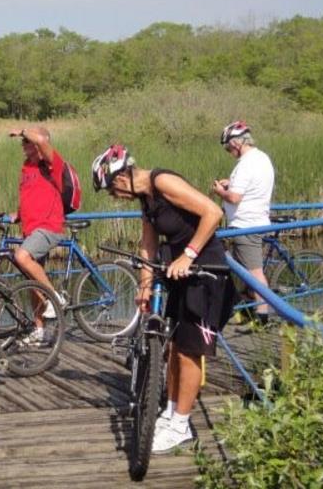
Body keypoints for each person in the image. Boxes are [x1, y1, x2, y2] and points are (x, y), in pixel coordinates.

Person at [92, 144, 236, 454]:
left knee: (189, 350)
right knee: (173, 347)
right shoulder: (146, 200)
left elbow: (213, 212)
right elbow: (148, 244)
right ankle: (170, 413)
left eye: (111, 191)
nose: (114, 197)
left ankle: (181, 425)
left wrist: (188, 255)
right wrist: (144, 286)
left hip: (205, 271)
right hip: (178, 274)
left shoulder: (162, 182)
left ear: (120, 178)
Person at [212, 121, 275, 325]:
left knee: (254, 273)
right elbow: (249, 186)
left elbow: (235, 198)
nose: (228, 151)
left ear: (237, 143)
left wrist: (221, 192)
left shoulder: (247, 164)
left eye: (228, 146)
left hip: (246, 224)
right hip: (254, 220)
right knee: (245, 270)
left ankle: (262, 317)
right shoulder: (261, 158)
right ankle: (248, 310)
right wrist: (230, 184)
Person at [8, 126, 67, 337]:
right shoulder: (27, 167)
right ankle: (39, 330)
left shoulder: (51, 164)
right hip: (31, 228)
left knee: (21, 256)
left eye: (27, 142)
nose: (24, 146)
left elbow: (42, 142)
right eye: (23, 143)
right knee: (34, 283)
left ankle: (54, 298)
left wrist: (23, 130)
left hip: (48, 227)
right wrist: (19, 213)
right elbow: (33, 194)